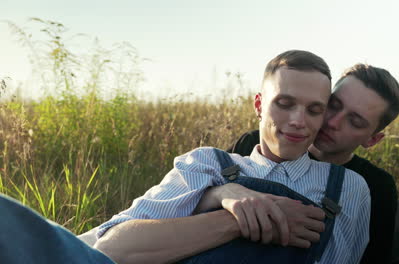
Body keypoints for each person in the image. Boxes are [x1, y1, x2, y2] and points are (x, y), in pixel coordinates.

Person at [94, 50, 371, 264]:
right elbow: (110, 250)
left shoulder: (349, 188)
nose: (298, 121)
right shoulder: (205, 166)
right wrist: (235, 217)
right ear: (259, 105)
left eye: (314, 110)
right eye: (284, 104)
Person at [227, 63, 399, 264]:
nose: (333, 122)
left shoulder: (375, 185)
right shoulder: (258, 143)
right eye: (333, 105)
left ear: (372, 140)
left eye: (354, 121)